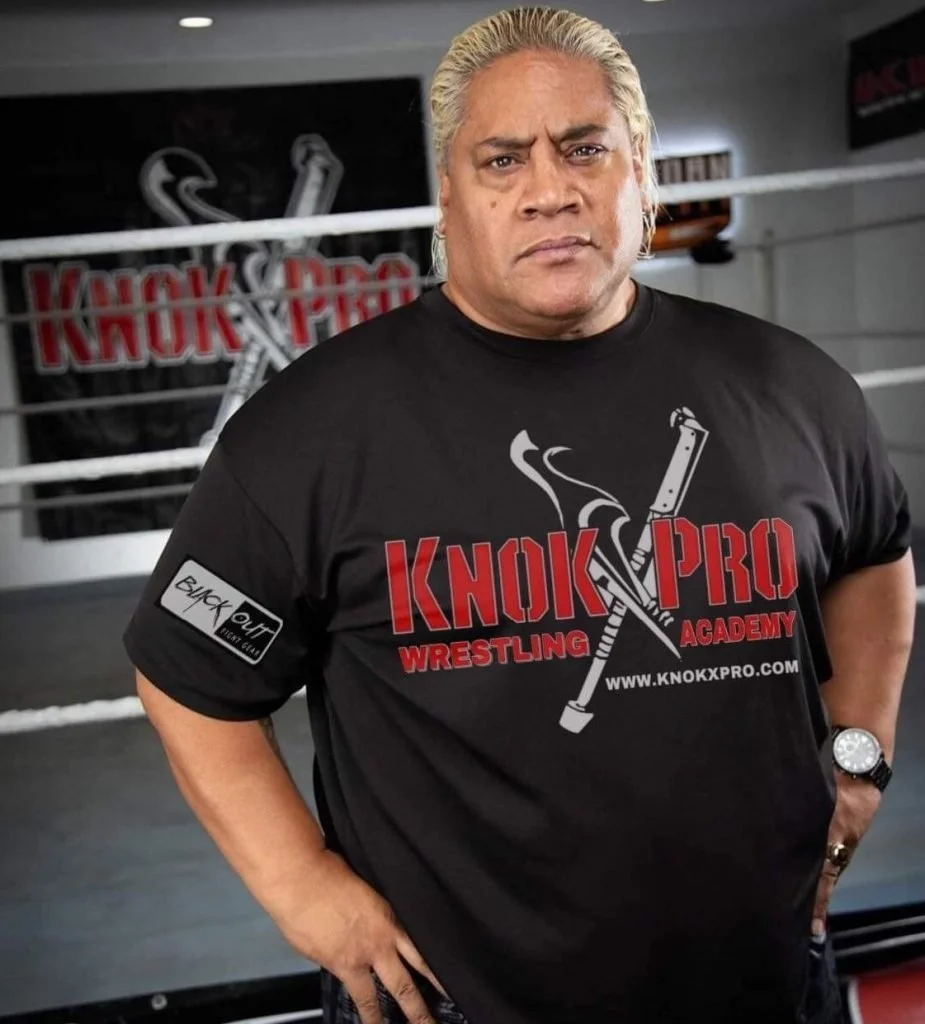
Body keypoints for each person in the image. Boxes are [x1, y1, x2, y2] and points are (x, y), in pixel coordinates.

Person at [124, 7, 917, 1024]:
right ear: (446, 197)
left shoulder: (792, 386)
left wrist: (856, 760)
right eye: (502, 160)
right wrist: (305, 892)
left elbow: (873, 555)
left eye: (585, 148)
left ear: (641, 173)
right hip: (461, 1002)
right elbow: (188, 674)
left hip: (760, 977)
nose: (551, 190)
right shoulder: (309, 431)